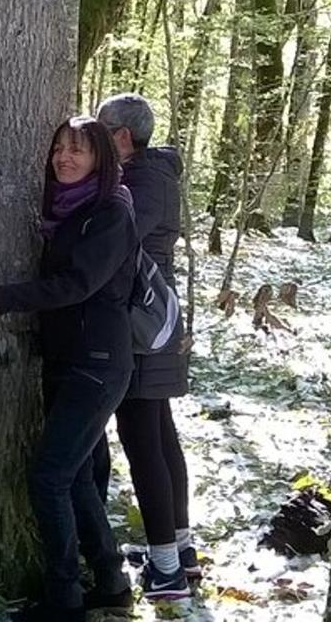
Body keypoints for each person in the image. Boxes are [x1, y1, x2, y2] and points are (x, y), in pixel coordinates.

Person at [0, 116, 137, 622]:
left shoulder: (110, 214)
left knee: (49, 478)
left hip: (98, 364)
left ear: (101, 160)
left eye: (78, 150)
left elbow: (76, 284)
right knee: (78, 478)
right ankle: (109, 582)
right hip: (68, 360)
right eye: (60, 148)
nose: (65, 157)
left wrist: (0, 299)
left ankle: (64, 599)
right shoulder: (66, 213)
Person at [96, 93, 197, 600]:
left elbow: (116, 239)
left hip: (143, 322)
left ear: (121, 137)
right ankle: (179, 550)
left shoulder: (142, 181)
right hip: (156, 319)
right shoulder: (152, 175)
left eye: (100, 129)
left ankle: (166, 571)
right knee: (158, 434)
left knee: (143, 442)